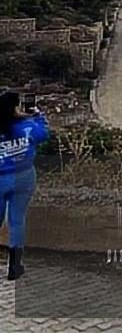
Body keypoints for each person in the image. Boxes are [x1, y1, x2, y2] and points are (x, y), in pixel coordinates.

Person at [0, 91, 49, 281]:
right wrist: (38, 115)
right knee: (17, 220)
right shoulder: (27, 126)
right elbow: (43, 134)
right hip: (24, 176)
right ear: (15, 108)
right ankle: (15, 266)